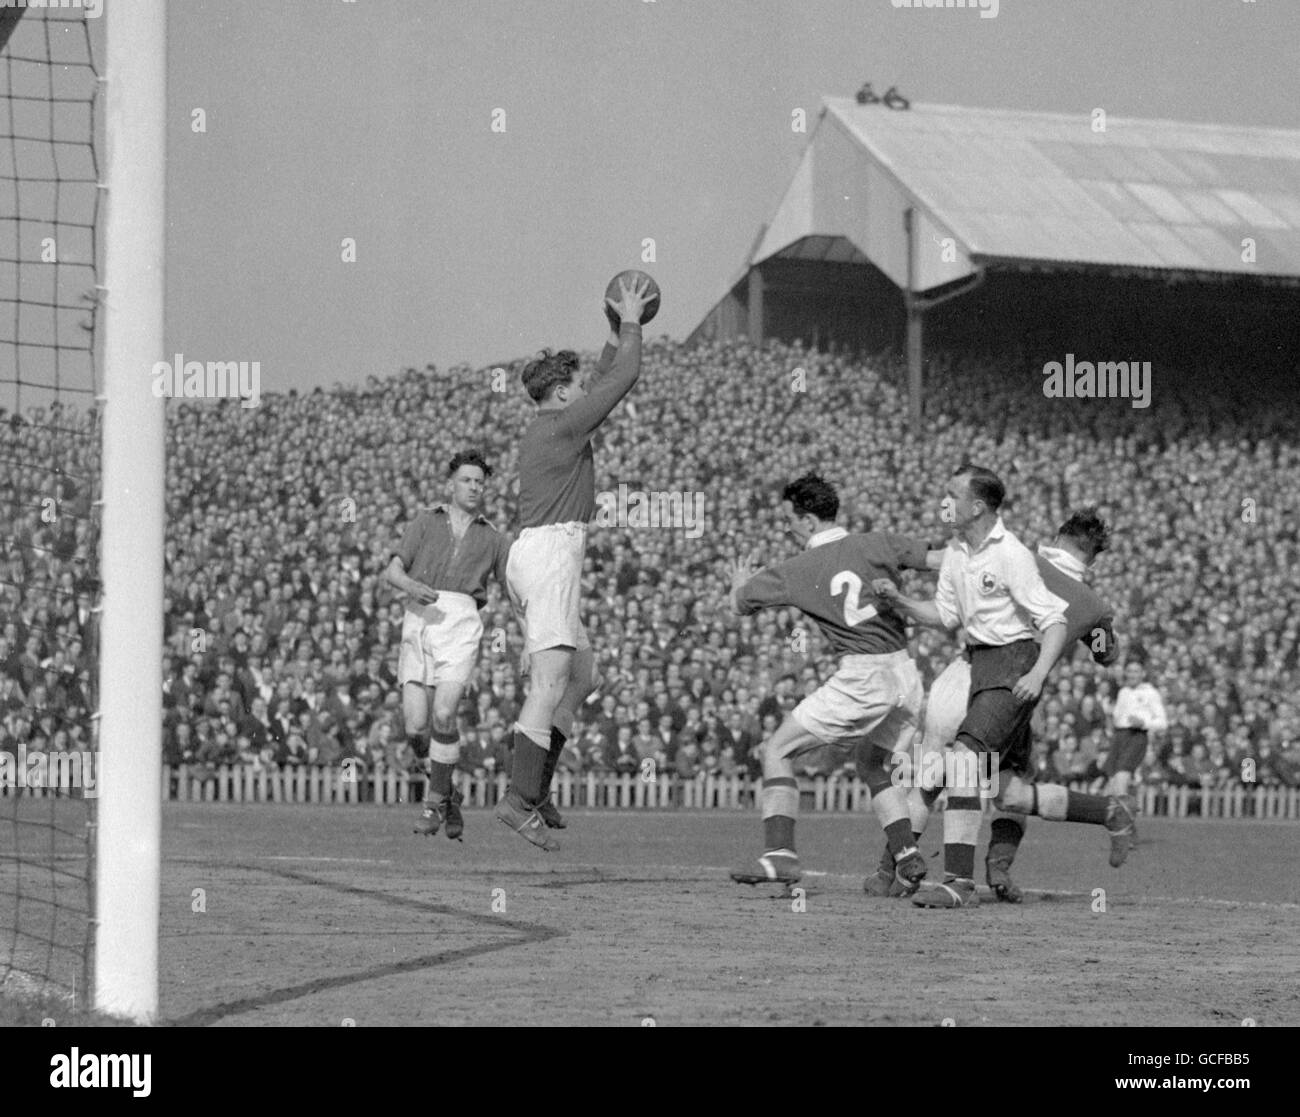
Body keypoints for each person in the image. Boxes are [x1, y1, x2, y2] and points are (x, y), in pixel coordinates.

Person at [876, 470, 1135, 909]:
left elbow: (946, 578)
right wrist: (1100, 633)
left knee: (939, 768)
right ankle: (1101, 814)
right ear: (1093, 558)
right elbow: (1108, 655)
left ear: (1056, 536)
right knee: (1009, 790)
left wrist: (891, 567)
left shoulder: (1019, 555)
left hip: (982, 669)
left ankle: (900, 870)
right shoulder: (1092, 605)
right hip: (1022, 686)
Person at [494, 274, 653, 850]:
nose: (584, 390)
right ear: (561, 393)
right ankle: (518, 798)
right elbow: (625, 378)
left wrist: (613, 332)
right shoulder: (562, 424)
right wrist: (632, 321)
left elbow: (609, 374)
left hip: (540, 553)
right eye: (576, 384)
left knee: (582, 675)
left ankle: (534, 788)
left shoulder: (552, 421)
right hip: (549, 554)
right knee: (551, 679)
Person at [727, 472, 942, 891]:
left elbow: (738, 605)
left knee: (778, 750)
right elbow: (940, 560)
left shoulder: (796, 569)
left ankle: (780, 854)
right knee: (871, 763)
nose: (785, 527)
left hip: (864, 675)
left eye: (789, 518)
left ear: (808, 521)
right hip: (906, 675)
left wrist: (738, 583)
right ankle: (906, 852)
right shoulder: (878, 541)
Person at [384, 449, 511, 842]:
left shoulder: (493, 537)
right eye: (467, 481)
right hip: (419, 617)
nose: (474, 488)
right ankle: (450, 792)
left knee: (444, 712)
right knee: (417, 726)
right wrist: (409, 586)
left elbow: (513, 592)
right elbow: (392, 571)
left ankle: (433, 801)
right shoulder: (426, 521)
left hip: (461, 621)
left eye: (479, 482)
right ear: (451, 485)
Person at [1110, 659, 1168, 800]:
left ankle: (1121, 814)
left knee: (1122, 773)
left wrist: (1144, 723)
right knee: (1114, 777)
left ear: (1143, 674)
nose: (1132, 675)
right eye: (1129, 671)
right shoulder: (1123, 691)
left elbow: (1163, 722)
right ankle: (1120, 811)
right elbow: (1118, 717)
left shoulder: (1151, 693)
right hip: (1119, 735)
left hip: (1136, 735)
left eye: (1136, 671)